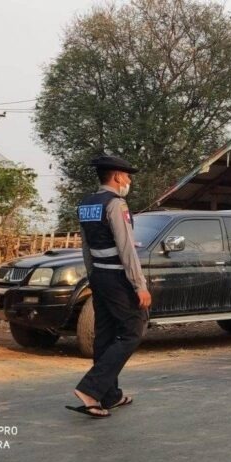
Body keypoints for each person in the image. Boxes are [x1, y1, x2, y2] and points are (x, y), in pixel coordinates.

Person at [67, 154, 152, 418]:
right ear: (116, 176)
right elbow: (126, 248)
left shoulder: (86, 204)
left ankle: (109, 395)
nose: (128, 181)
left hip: (100, 276)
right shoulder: (116, 204)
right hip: (117, 278)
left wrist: (94, 276)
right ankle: (91, 389)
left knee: (105, 335)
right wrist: (139, 285)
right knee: (132, 330)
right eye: (127, 176)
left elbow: (87, 246)